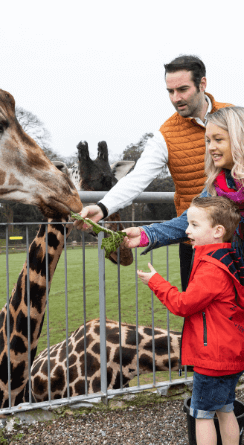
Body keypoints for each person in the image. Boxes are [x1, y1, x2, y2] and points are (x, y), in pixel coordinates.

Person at [78, 55, 232, 290]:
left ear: (202, 84)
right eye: (170, 91)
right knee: (196, 317)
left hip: (235, 237)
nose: (175, 98)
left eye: (182, 89)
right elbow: (138, 177)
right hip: (192, 238)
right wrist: (102, 207)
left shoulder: (234, 117)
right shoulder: (165, 135)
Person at [137, 196, 244, 445]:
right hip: (229, 352)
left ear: (218, 231)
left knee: (202, 415)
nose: (187, 230)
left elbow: (182, 305)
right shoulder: (226, 258)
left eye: (194, 225)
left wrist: (155, 281)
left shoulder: (211, 268)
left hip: (213, 358)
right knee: (225, 408)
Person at [124, 106, 244, 260]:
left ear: (239, 139)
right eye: (208, 140)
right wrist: (145, 234)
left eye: (218, 139)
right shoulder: (217, 186)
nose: (211, 147)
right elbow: (186, 222)